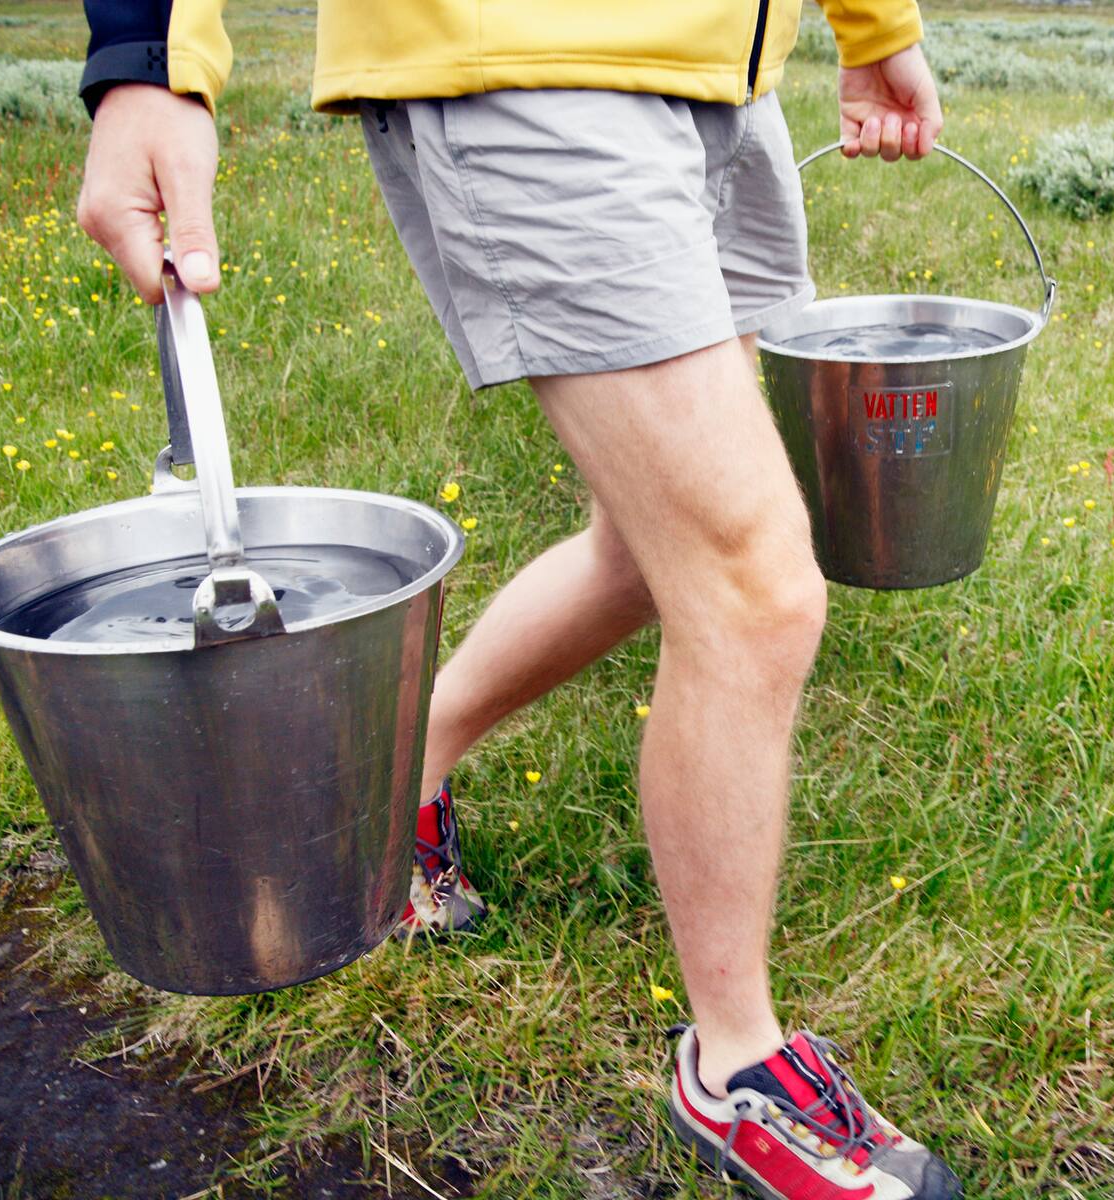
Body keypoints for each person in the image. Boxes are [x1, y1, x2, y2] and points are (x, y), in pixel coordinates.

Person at [76, 1, 958, 1194]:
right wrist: (148, 64)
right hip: (527, 59)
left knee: (659, 549)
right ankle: (733, 1064)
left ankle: (400, 781)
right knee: (756, 590)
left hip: (720, 75)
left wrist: (872, 23)